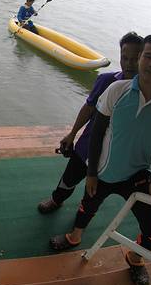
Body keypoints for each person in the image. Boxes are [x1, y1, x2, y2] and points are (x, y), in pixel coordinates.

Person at [49, 34, 151, 285]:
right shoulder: (116, 89)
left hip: (138, 174)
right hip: (104, 169)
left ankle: (135, 257)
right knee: (88, 206)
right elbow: (97, 132)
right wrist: (91, 172)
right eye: (148, 56)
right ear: (140, 58)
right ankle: (75, 237)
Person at [37, 32, 144, 214]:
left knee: (95, 192)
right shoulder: (106, 80)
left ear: (143, 59)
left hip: (114, 154)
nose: (129, 63)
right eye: (124, 58)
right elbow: (88, 108)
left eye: (135, 59)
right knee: (70, 177)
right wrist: (72, 134)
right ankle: (56, 199)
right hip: (87, 144)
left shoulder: (145, 93)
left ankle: (83, 217)